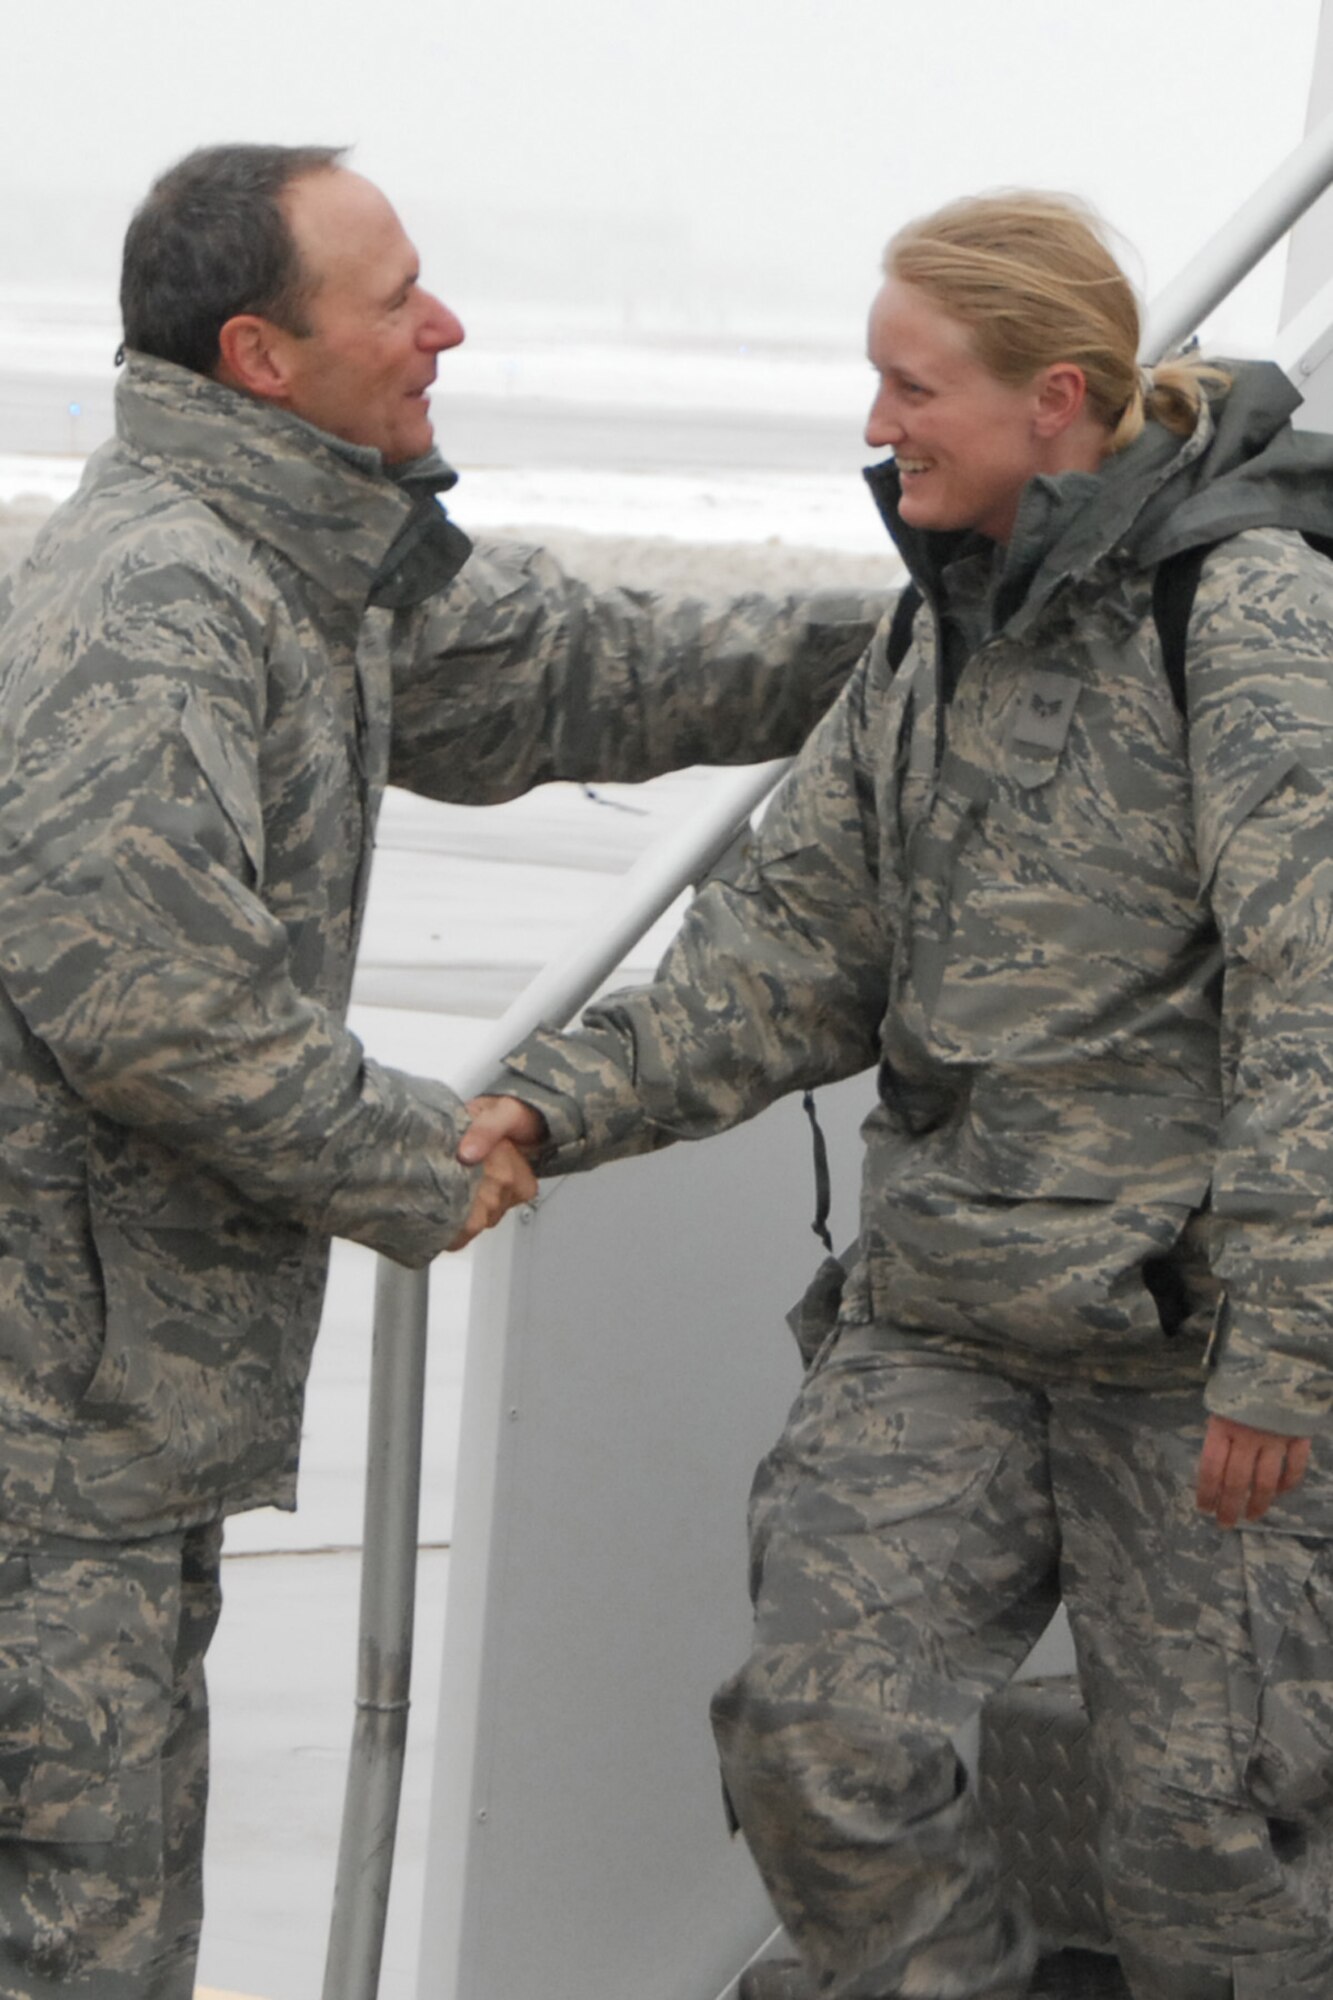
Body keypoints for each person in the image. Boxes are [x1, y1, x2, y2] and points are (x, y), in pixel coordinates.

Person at [0, 143, 882, 1997]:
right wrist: (423, 1154)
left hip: (112, 1399)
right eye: (395, 297)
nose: (442, 326)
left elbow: (583, 673)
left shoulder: (314, 566)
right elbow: (146, 992)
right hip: (41, 1415)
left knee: (114, 1903)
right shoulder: (158, 597)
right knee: (77, 1927)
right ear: (259, 353)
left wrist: (926, 634)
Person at [463, 190, 1333, 2000]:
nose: (875, 425)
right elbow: (782, 952)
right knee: (814, 1743)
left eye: (908, 384)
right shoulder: (931, 634)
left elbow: (1316, 995)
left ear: (1057, 398)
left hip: (1191, 1360)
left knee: (1216, 1858)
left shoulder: (1239, 617)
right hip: (942, 1318)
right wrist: (546, 1108)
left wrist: (1289, 1349)